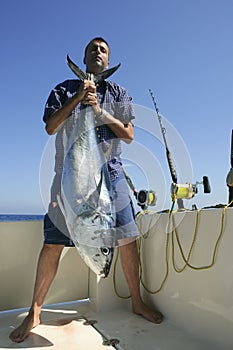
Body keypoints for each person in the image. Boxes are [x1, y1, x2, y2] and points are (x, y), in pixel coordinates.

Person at [10, 37, 163, 343]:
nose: (98, 52)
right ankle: (35, 311)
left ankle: (136, 302)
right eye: (93, 48)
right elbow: (51, 126)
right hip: (70, 173)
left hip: (112, 173)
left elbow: (129, 135)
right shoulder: (63, 89)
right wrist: (79, 98)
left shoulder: (118, 92)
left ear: (108, 61)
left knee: (128, 239)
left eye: (103, 50)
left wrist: (100, 111)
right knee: (53, 242)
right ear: (84, 58)